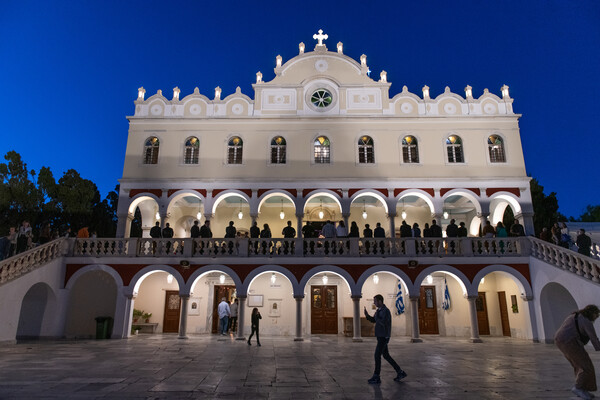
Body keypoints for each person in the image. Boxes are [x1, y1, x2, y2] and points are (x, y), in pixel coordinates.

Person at [554, 305, 600, 400]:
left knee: (578, 365)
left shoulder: (574, 315)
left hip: (560, 340)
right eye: (597, 314)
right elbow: (593, 337)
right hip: (570, 342)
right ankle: (578, 388)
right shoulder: (586, 321)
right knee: (585, 366)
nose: (597, 316)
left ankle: (583, 389)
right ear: (592, 313)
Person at [364, 294, 407, 384]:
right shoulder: (379, 311)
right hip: (380, 336)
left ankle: (376, 376)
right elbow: (374, 320)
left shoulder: (385, 311)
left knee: (377, 355)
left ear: (380, 301)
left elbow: (384, 322)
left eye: (375, 301)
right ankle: (400, 372)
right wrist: (367, 315)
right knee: (386, 355)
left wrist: (377, 316)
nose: (374, 303)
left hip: (384, 336)